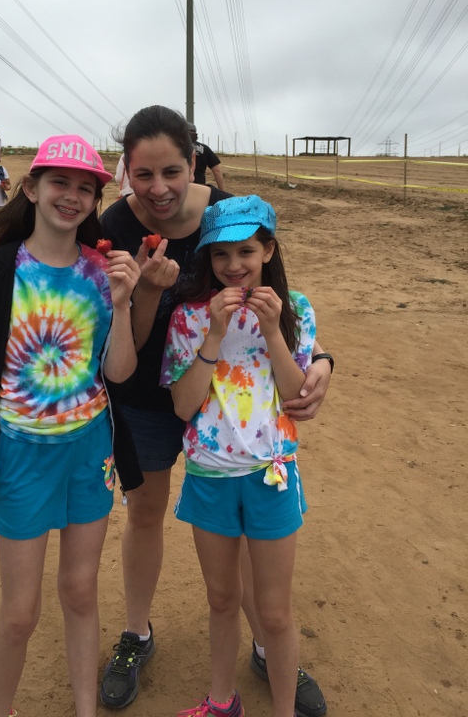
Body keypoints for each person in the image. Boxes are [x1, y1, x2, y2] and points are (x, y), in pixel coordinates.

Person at [98, 105, 331, 716]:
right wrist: (149, 291)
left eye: (171, 171)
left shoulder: (226, 213)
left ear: (194, 163)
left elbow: (282, 297)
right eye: (143, 174)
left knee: (256, 565)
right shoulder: (114, 226)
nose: (158, 188)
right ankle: (137, 635)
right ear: (126, 172)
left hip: (251, 430)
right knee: (146, 514)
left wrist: (320, 357)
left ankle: (270, 646)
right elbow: (124, 339)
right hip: (155, 396)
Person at [0, 134, 143, 717]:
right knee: (20, 613)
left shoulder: (103, 272)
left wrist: (124, 302)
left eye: (86, 188)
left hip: (90, 453)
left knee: (81, 592)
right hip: (22, 459)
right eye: (60, 182)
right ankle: (0, 710)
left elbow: (118, 373)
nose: (72, 196)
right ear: (31, 188)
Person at [161, 194, 316, 717]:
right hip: (209, 474)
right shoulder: (188, 318)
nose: (233, 265)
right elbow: (184, 406)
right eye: (220, 254)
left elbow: (296, 396)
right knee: (222, 599)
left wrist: (272, 330)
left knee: (274, 613)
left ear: (268, 250)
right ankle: (222, 702)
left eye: (246, 251)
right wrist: (214, 333)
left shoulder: (295, 311)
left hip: (272, 474)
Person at [188, 122, 225, 190]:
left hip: (183, 188)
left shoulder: (177, 148)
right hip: (200, 187)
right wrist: (221, 191)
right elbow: (216, 170)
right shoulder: (205, 148)